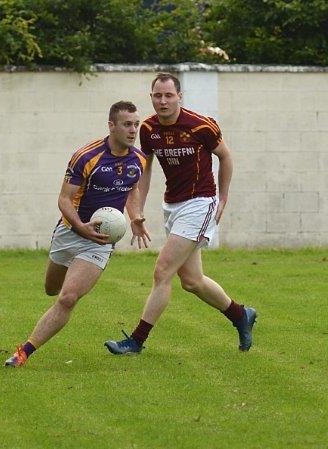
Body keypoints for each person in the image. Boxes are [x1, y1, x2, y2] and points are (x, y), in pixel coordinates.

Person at [105, 73, 257, 355]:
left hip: (200, 203)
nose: (163, 101)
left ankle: (136, 341)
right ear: (151, 97)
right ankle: (241, 315)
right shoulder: (148, 129)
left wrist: (223, 198)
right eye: (157, 96)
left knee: (162, 271)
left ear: (179, 96)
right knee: (192, 281)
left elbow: (225, 156)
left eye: (168, 95)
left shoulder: (201, 125)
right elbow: (145, 168)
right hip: (172, 205)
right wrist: (137, 211)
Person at [4, 101, 147, 367]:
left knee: (68, 297)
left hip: (100, 242)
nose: (133, 130)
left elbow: (132, 188)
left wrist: (135, 216)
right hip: (70, 233)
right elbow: (64, 199)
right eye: (127, 124)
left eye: (136, 124)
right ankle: (57, 285)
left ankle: (24, 351)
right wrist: (81, 226)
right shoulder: (86, 156)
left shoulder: (138, 159)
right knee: (51, 289)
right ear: (112, 125)